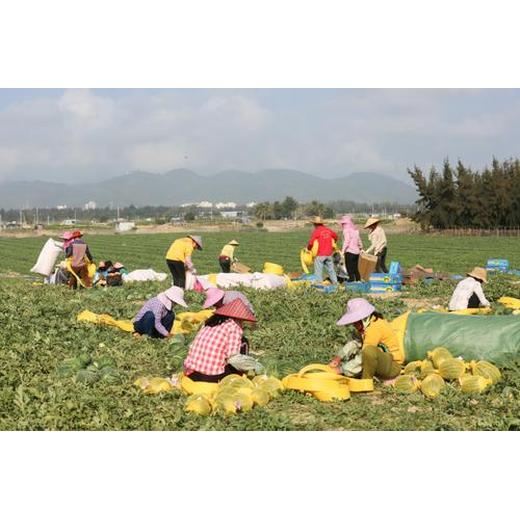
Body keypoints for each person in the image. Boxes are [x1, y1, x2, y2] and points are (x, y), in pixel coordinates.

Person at [330, 298, 404, 381]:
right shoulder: (365, 327)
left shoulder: (375, 327)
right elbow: (354, 343)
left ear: (364, 319)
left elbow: (363, 355)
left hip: (392, 366)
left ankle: (367, 380)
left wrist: (341, 370)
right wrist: (338, 357)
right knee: (363, 350)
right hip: (381, 363)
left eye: (356, 322)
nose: (354, 325)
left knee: (368, 352)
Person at [183, 299, 256, 382]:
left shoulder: (210, 322)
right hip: (210, 376)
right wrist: (253, 365)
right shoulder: (234, 326)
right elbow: (234, 359)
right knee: (244, 342)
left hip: (191, 373)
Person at [306, 216, 339, 284]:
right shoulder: (328, 230)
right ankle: (335, 283)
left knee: (318, 270)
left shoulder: (316, 231)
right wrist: (334, 242)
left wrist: (308, 249)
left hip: (320, 254)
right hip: (329, 254)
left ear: (315, 224)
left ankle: (319, 284)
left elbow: (311, 242)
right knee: (331, 270)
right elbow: (336, 236)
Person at [339, 215, 363, 282]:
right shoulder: (355, 230)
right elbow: (359, 240)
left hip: (349, 252)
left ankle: (351, 281)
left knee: (349, 268)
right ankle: (358, 280)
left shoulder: (346, 230)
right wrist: (361, 247)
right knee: (355, 268)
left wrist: (343, 251)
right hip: (356, 252)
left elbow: (347, 240)